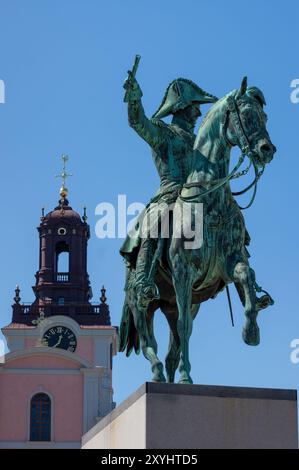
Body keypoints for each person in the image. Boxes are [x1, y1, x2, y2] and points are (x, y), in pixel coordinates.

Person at [120, 74, 218, 308]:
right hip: (170, 192)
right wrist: (134, 98)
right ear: (183, 107)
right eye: (195, 106)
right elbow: (138, 122)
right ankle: (143, 279)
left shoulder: (199, 142)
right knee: (155, 222)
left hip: (198, 198)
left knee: (229, 222)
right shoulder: (164, 132)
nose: (198, 113)